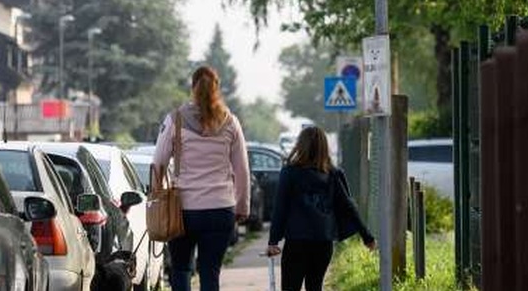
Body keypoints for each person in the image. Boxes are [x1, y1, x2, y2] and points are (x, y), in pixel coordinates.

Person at [152, 66, 251, 291]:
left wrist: (158, 199)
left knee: (181, 269)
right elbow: (242, 169)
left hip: (182, 210)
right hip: (220, 209)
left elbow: (158, 162)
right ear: (217, 88)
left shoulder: (175, 120)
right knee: (210, 272)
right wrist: (242, 207)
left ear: (192, 87)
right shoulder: (230, 122)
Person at [266, 126, 376, 291]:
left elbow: (280, 208)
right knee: (315, 286)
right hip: (323, 241)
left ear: (300, 145)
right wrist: (367, 236)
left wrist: (273, 241)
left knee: (290, 287)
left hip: (297, 241)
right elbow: (348, 206)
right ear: (324, 147)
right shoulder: (333, 174)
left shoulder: (289, 172)